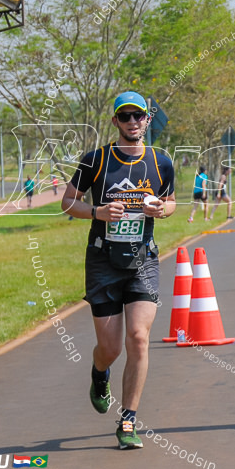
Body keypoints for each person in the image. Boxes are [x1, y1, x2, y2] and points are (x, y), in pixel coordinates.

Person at [61, 91, 176, 449]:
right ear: (115, 122)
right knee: (109, 348)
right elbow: (68, 203)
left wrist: (162, 209)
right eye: (124, 116)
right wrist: (96, 212)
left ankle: (128, 420)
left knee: (139, 338)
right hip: (103, 261)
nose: (132, 122)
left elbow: (171, 201)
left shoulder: (161, 161)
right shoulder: (96, 160)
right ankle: (99, 374)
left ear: (146, 120)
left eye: (138, 116)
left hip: (143, 258)